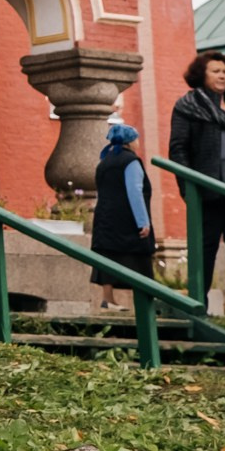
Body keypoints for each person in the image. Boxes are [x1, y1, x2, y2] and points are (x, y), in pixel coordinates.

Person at [167, 50, 225, 317]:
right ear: (201, 74)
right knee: (206, 248)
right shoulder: (188, 105)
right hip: (207, 188)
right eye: (216, 71)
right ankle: (198, 305)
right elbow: (178, 149)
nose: (222, 75)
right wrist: (188, 187)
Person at [89, 123, 155, 312]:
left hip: (104, 218)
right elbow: (135, 191)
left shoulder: (104, 162)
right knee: (139, 260)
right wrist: (143, 222)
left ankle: (107, 300)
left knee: (108, 256)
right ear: (130, 141)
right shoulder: (130, 161)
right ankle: (144, 306)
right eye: (136, 139)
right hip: (126, 219)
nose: (138, 143)